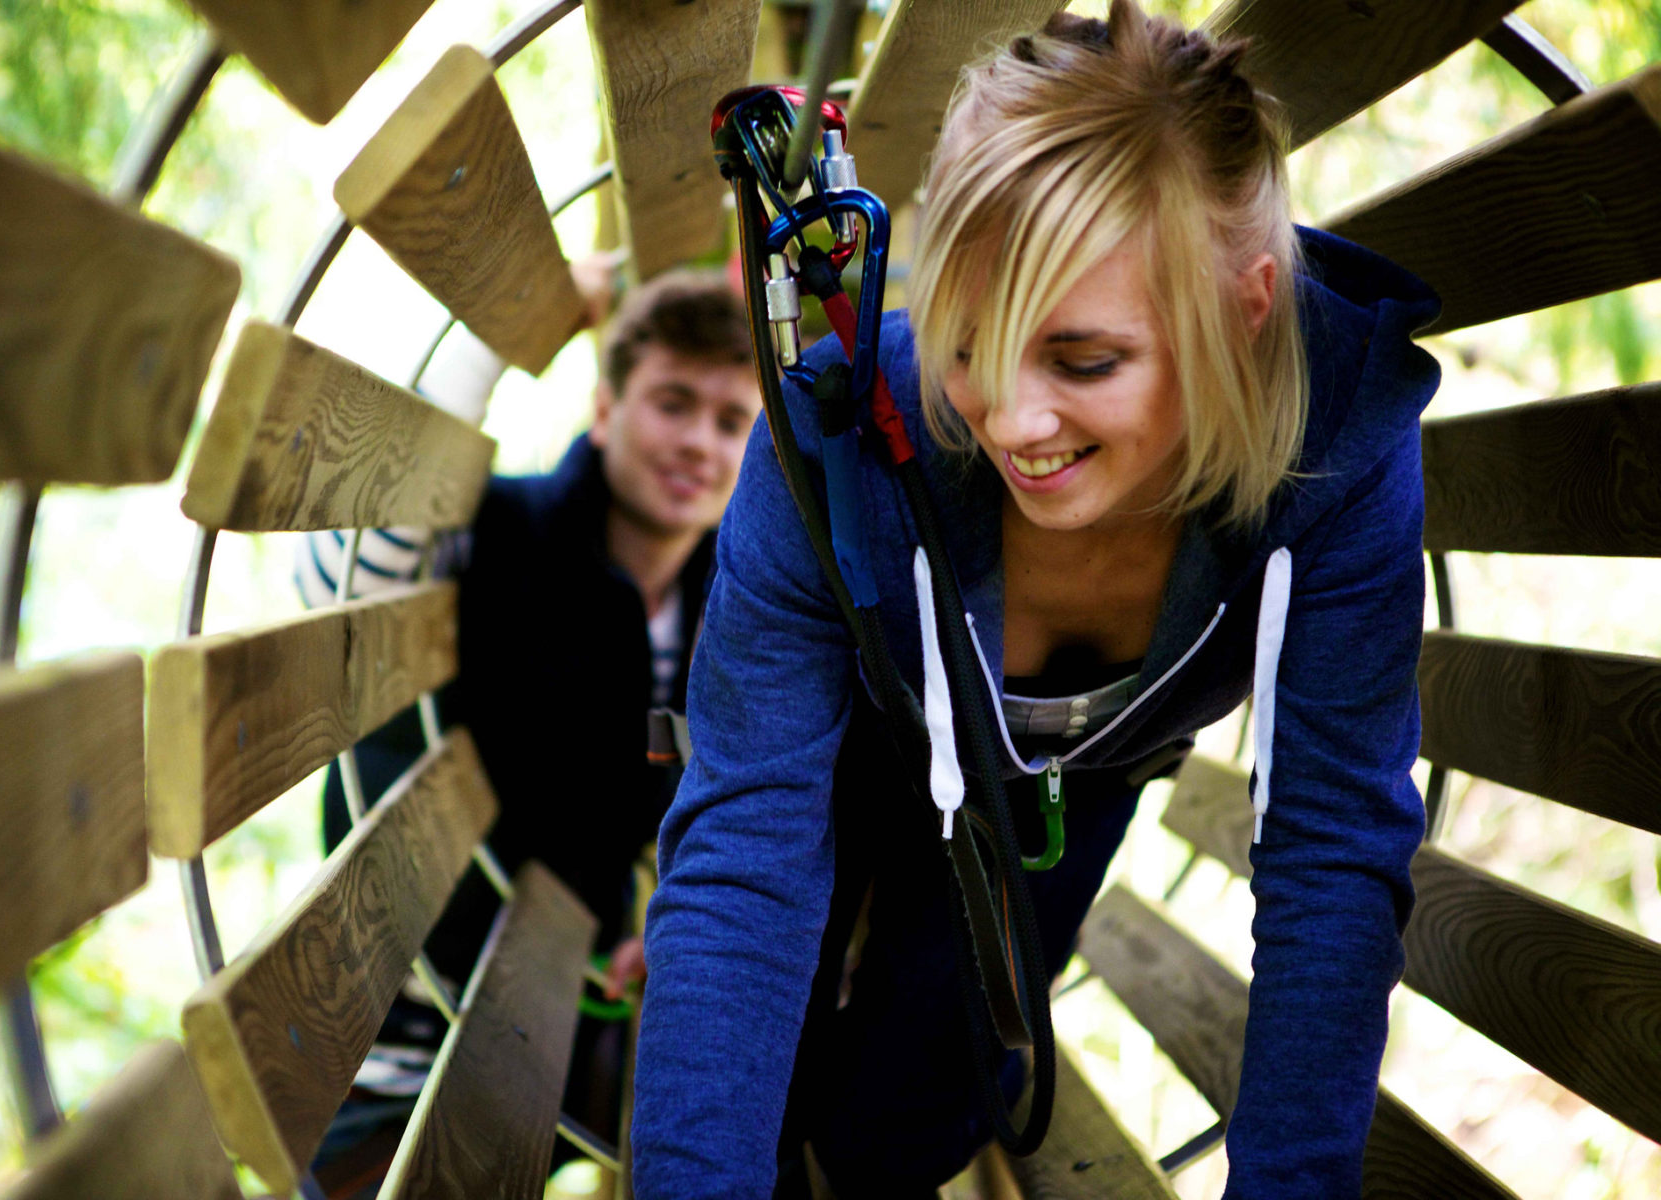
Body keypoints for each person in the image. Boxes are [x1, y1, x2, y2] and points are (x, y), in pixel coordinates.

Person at [632, 5, 1440, 1198]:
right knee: (763, 1054)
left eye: (1083, 359)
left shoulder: (1340, 449)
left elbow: (1334, 851)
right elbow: (748, 849)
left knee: (911, 1124)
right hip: (850, 739)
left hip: (1068, 791)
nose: (1011, 420)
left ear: (1245, 308)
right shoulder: (838, 427)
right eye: (968, 341)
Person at [300, 267, 762, 1187]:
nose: (699, 443)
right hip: (402, 1004)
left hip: (554, 1017)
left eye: (730, 421)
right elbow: (344, 576)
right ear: (606, 410)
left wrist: (679, 917)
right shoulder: (499, 528)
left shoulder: (732, 607)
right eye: (673, 403)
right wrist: (491, 338)